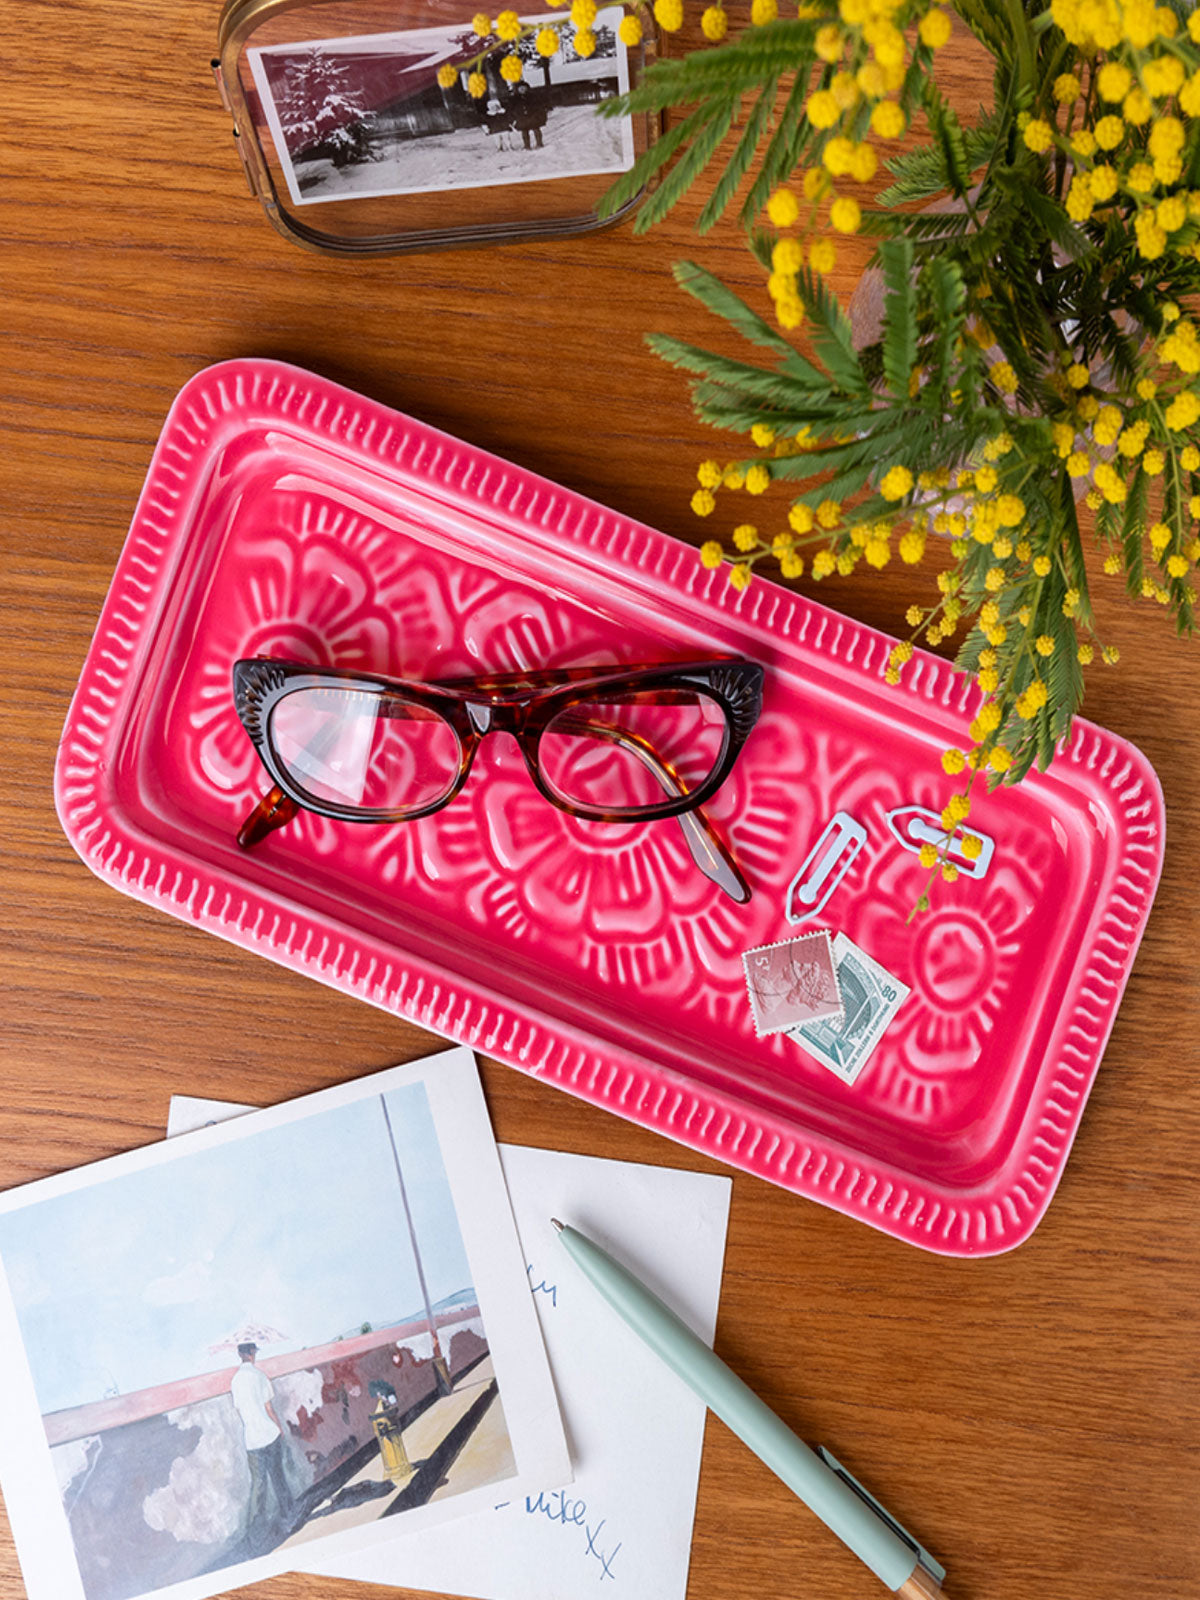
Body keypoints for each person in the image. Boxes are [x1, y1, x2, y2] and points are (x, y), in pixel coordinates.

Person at [230, 1342, 294, 1543]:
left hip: (252, 1440)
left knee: (258, 1485)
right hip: (269, 1434)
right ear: (251, 1354)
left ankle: (256, 1531)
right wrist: (279, 1428)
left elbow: (240, 1411)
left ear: (240, 1355)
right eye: (254, 1352)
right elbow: (269, 1409)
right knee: (278, 1477)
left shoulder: (235, 1381)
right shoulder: (260, 1376)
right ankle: (288, 1515)